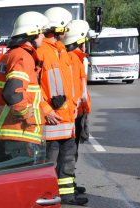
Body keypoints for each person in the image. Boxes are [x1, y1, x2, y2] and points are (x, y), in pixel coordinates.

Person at [38, 7, 86, 205]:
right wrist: (46, 109)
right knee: (49, 161)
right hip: (52, 119)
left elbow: (69, 85)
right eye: (65, 27)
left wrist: (75, 106)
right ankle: (48, 194)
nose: (67, 31)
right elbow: (34, 86)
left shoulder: (61, 52)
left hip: (66, 118)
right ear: (59, 28)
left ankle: (66, 194)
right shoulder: (42, 52)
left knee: (67, 159)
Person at [0, 12, 49, 164]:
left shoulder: (11, 55)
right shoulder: (22, 56)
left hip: (10, 135)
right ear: (32, 33)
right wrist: (26, 115)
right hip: (19, 134)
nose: (44, 36)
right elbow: (13, 93)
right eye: (42, 32)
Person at [64, 19, 91, 195]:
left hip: (78, 111)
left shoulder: (78, 58)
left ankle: (70, 183)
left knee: (71, 151)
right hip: (73, 112)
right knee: (69, 152)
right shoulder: (73, 59)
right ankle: (67, 186)